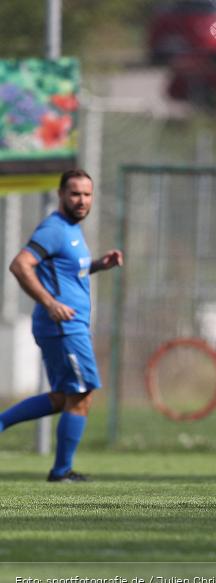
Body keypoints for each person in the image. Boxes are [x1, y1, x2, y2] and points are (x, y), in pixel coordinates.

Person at [4, 169, 123, 482]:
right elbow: (20, 264)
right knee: (81, 395)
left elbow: (68, 273)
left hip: (67, 327)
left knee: (62, 397)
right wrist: (50, 303)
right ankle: (61, 471)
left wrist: (98, 264)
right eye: (75, 194)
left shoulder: (72, 229)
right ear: (61, 195)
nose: (82, 200)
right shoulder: (54, 229)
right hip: (64, 328)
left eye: (87, 194)